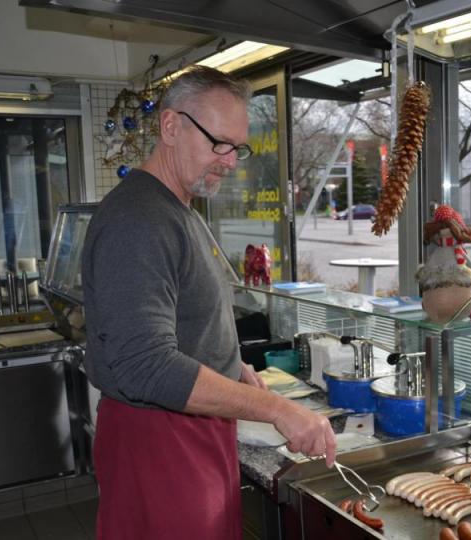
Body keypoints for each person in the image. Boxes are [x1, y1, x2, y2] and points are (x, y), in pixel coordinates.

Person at [81, 67, 336, 539]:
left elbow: (183, 317)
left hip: (192, 430)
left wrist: (228, 363)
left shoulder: (178, 208)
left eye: (238, 147)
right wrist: (279, 409)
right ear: (171, 126)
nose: (230, 161)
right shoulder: (139, 219)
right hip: (159, 441)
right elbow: (146, 364)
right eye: (219, 143)